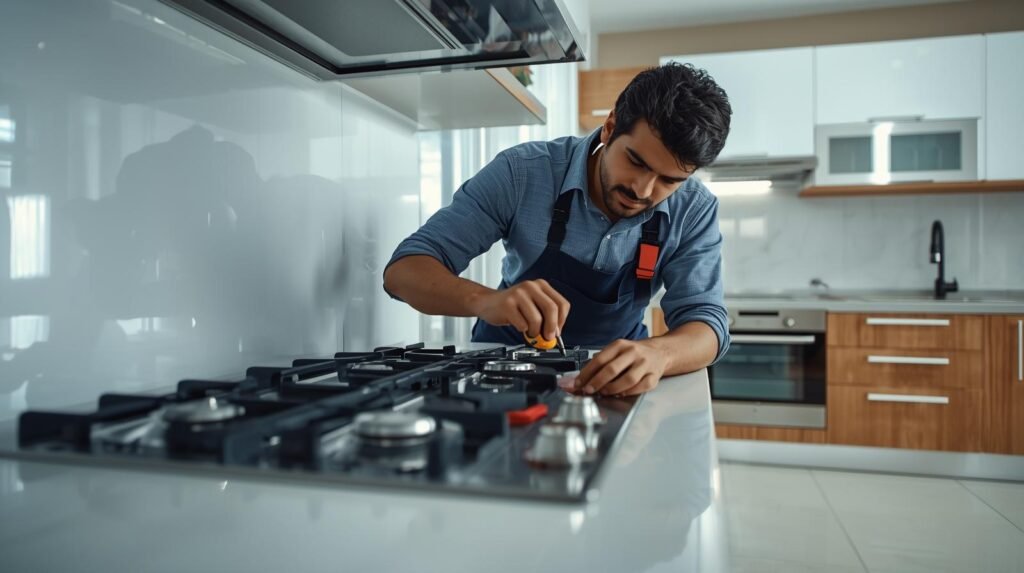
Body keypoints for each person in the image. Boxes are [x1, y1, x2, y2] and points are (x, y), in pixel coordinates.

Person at [383, 63, 732, 397]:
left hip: (613, 380)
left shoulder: (693, 208)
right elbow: (403, 272)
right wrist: (488, 300)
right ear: (610, 127)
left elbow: (707, 323)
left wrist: (659, 355)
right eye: (636, 162)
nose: (642, 190)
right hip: (501, 374)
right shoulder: (522, 173)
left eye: (669, 180)